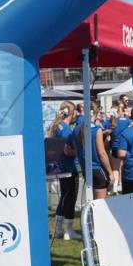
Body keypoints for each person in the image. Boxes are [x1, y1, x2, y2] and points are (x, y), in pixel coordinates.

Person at [49, 102, 80, 240]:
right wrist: (79, 151)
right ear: (71, 113)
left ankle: (58, 229)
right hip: (69, 167)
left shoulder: (57, 127)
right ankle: (68, 230)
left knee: (64, 197)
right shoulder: (66, 130)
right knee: (70, 198)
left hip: (61, 167)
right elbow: (68, 150)